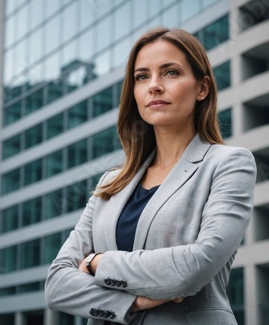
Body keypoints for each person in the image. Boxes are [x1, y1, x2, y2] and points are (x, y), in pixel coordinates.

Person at [45, 27, 256, 325]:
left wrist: (97, 262)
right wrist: (132, 302)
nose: (154, 86)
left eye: (170, 72)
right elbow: (57, 284)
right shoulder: (110, 183)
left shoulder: (229, 164)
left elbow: (196, 266)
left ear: (202, 88)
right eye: (142, 76)